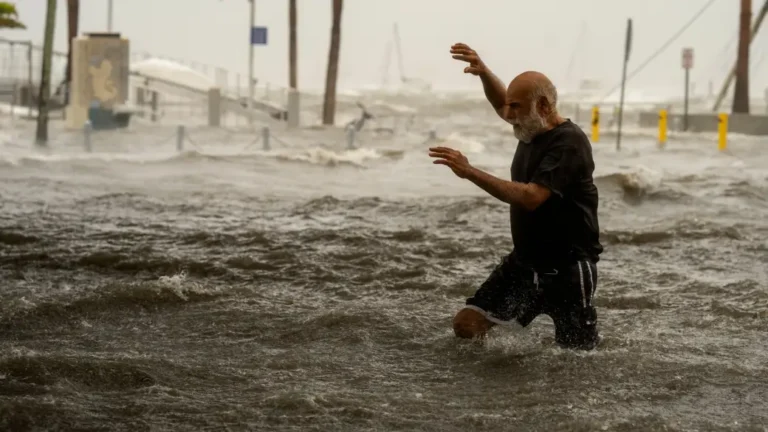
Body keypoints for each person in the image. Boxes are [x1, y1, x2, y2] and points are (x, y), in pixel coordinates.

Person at [428, 43, 603, 350]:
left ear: (544, 106)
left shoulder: (568, 142)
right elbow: (502, 103)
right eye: (510, 107)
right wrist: (484, 73)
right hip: (524, 264)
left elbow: (531, 197)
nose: (508, 114)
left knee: (576, 359)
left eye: (517, 108)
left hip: (569, 270)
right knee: (467, 324)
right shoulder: (529, 126)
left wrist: (470, 172)